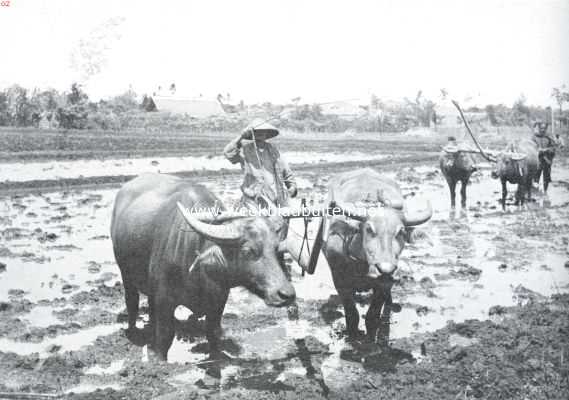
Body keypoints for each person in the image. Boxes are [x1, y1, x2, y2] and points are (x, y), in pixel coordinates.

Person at [224, 118, 299, 319]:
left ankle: (282, 281)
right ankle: (256, 281)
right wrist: (241, 136)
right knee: (256, 244)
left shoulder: (273, 151)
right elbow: (228, 153)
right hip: (253, 200)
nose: (262, 137)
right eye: (258, 133)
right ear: (253, 135)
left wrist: (291, 185)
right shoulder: (246, 150)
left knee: (277, 244)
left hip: (276, 201)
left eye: (265, 133)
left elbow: (285, 170)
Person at [531, 121, 556, 193]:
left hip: (547, 160)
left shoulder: (549, 137)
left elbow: (553, 148)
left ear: (546, 128)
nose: (543, 130)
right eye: (541, 128)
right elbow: (530, 147)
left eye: (544, 128)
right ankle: (535, 194)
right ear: (539, 128)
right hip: (537, 160)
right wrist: (538, 150)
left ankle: (545, 192)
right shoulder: (534, 137)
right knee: (535, 177)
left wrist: (547, 150)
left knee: (546, 178)